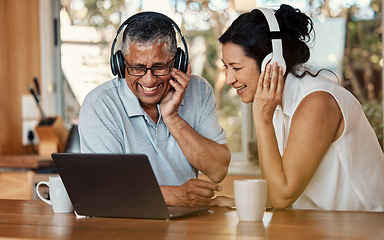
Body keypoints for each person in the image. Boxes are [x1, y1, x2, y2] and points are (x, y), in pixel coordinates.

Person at [219, 4, 384, 211]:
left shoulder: (318, 103)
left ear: (271, 62)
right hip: (323, 225)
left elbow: (282, 197)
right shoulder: (279, 104)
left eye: (236, 67)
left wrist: (262, 120)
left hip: (365, 227)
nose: (229, 79)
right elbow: (281, 186)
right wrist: (238, 202)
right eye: (226, 67)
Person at [79, 12, 231, 207]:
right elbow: (102, 189)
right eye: (137, 67)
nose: (149, 80)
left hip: (185, 225)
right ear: (120, 64)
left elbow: (218, 170)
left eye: (159, 67)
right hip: (122, 224)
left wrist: (173, 118)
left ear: (178, 63)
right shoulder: (100, 104)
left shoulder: (198, 91)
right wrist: (176, 196)